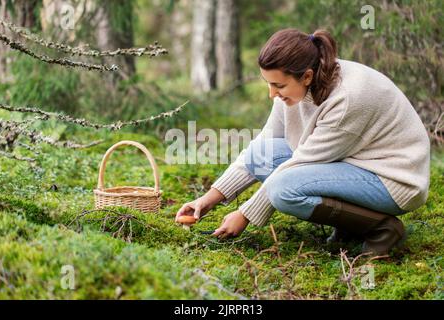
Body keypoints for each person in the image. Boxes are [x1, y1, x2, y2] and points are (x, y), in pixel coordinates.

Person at [175, 29, 430, 255]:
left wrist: (245, 215)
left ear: (307, 77)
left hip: (393, 180)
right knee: (259, 155)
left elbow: (299, 165)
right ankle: (350, 227)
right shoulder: (299, 84)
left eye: (278, 86)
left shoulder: (347, 99)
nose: (272, 94)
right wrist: (208, 199)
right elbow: (264, 145)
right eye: (268, 84)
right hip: (351, 162)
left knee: (284, 190)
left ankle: (382, 228)